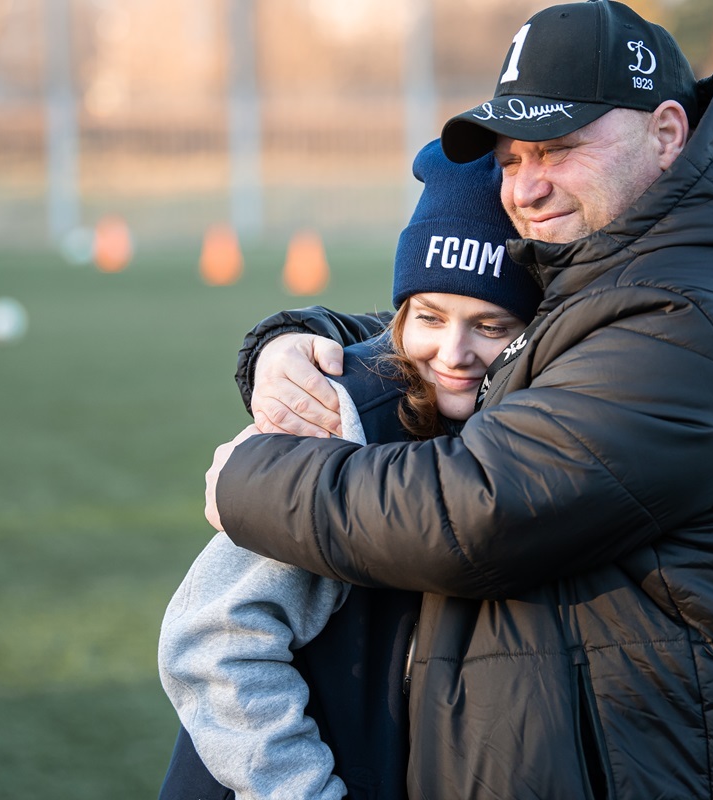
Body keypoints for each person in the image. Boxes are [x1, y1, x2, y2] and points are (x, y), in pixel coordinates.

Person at [207, 2, 713, 798]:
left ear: (667, 132)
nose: (528, 188)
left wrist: (251, 478)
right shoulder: (631, 259)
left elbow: (477, 511)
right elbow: (493, 326)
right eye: (511, 160)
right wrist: (305, 341)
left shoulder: (684, 313)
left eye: (560, 149)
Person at [157, 139, 542, 800]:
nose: (454, 352)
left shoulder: (527, 429)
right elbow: (212, 639)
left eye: (490, 324)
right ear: (400, 316)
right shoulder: (346, 417)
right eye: (429, 316)